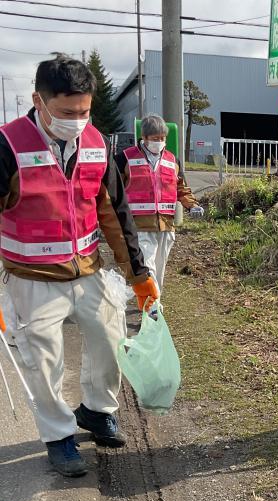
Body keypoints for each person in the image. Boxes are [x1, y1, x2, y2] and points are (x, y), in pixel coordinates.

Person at [0, 54, 159, 477]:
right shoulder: (7, 146)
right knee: (43, 360)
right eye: (68, 112)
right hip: (31, 279)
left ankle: (96, 410)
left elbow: (115, 213)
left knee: (111, 340)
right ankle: (58, 436)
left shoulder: (95, 143)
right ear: (39, 99)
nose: (78, 120)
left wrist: (138, 275)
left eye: (85, 111)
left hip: (88, 270)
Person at [115, 113, 203, 295]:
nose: (160, 142)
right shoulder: (125, 159)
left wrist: (192, 205)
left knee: (159, 269)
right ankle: (152, 308)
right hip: (138, 226)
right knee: (147, 267)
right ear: (144, 137)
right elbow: (113, 190)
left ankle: (153, 299)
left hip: (166, 226)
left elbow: (181, 188)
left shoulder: (172, 161)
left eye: (163, 138)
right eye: (155, 139)